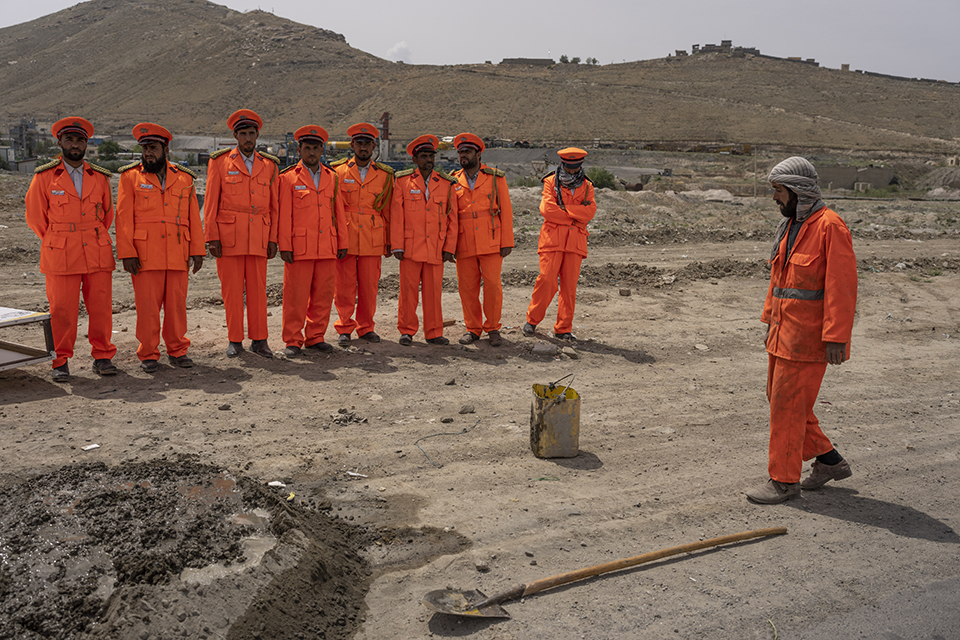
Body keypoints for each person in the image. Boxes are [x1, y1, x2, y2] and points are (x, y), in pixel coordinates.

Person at [746, 156, 857, 504]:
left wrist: (837, 337)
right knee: (783, 402)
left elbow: (842, 286)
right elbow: (779, 281)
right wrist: (769, 321)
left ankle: (784, 481)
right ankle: (828, 461)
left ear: (797, 191)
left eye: (779, 191)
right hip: (782, 333)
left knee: (788, 408)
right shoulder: (792, 225)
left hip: (808, 339)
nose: (775, 198)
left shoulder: (830, 226)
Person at [25, 116, 117, 381]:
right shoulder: (45, 177)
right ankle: (60, 360)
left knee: (100, 307)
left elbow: (107, 215)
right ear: (60, 142)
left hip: (97, 249)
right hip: (61, 252)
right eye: (69, 139)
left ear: (86, 144)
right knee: (62, 309)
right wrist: (58, 238)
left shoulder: (99, 177)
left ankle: (103, 356)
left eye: (79, 140)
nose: (74, 144)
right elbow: (35, 218)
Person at [115, 122, 205, 373]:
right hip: (145, 255)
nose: (148, 154)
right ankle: (148, 353)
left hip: (178, 252)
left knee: (176, 306)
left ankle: (177, 350)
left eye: (153, 148)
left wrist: (197, 249)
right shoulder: (130, 177)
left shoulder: (185, 178)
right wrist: (127, 253)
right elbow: (123, 218)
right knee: (148, 308)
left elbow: (193, 218)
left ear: (166, 149)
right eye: (145, 149)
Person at [204, 109, 280, 358]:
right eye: (243, 134)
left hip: (259, 234)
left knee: (258, 290)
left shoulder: (269, 165)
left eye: (251, 133)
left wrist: (273, 238)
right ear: (235, 136)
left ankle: (260, 340)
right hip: (229, 237)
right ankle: (234, 340)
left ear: (257, 135)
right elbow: (211, 203)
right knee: (232, 290)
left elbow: (274, 205)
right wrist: (211, 236)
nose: (248, 138)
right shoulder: (219, 162)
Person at [277, 125, 347, 357]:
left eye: (316, 148)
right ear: (299, 150)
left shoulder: (332, 177)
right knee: (295, 296)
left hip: (327, 246)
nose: (312, 153)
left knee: (323, 295)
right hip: (299, 248)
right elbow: (284, 215)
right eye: (307, 148)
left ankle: (315, 336)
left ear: (322, 150)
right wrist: (285, 245)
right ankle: (293, 340)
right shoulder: (287, 178)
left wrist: (342, 242)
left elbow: (338, 213)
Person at [390, 134, 458, 346]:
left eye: (431, 156)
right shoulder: (402, 181)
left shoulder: (446, 183)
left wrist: (450, 247)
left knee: (433, 292)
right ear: (414, 159)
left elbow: (452, 218)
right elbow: (396, 215)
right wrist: (397, 245)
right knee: (408, 291)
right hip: (410, 247)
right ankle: (407, 331)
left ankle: (434, 331)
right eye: (423, 156)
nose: (428, 160)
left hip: (436, 247)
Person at [523, 148, 596, 341]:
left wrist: (564, 209)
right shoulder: (550, 182)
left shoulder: (588, 186)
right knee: (546, 281)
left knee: (569, 287)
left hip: (575, 242)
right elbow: (547, 209)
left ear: (580, 165)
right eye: (568, 167)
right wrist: (575, 216)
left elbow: (590, 212)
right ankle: (532, 320)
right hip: (552, 241)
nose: (572, 171)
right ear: (563, 164)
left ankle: (564, 329)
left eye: (575, 167)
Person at [332, 122, 393, 346]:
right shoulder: (338, 171)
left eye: (367, 143)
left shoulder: (385, 175)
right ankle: (345, 327)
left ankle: (366, 327)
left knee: (369, 286)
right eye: (359, 143)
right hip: (346, 235)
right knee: (344, 286)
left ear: (373, 146)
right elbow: (333, 208)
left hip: (373, 237)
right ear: (352, 145)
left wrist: (389, 242)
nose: (363, 147)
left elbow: (388, 210)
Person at [451, 133, 514, 347]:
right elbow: (450, 216)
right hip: (464, 242)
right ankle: (473, 328)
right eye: (461, 152)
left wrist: (507, 241)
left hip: (491, 240)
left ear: (478, 154)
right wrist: (450, 246)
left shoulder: (495, 178)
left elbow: (506, 210)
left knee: (493, 286)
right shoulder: (453, 180)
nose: (463, 156)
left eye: (467, 152)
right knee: (467, 287)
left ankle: (493, 327)